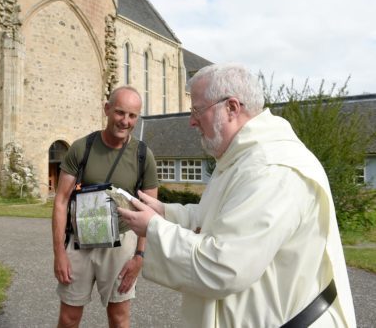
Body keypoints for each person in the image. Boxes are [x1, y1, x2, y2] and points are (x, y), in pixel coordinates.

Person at [118, 64, 356, 327]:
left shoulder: (272, 169)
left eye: (197, 110)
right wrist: (165, 213)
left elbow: (223, 267)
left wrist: (153, 228)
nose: (192, 121)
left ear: (231, 107)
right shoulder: (243, 157)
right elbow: (218, 217)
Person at [52, 86, 159, 328]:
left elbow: (149, 213)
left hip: (120, 245)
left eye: (132, 116)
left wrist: (139, 257)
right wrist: (59, 253)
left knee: (119, 317)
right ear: (107, 109)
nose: (125, 121)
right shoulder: (82, 148)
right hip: (79, 243)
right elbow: (60, 201)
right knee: (69, 318)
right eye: (120, 113)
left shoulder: (143, 155)